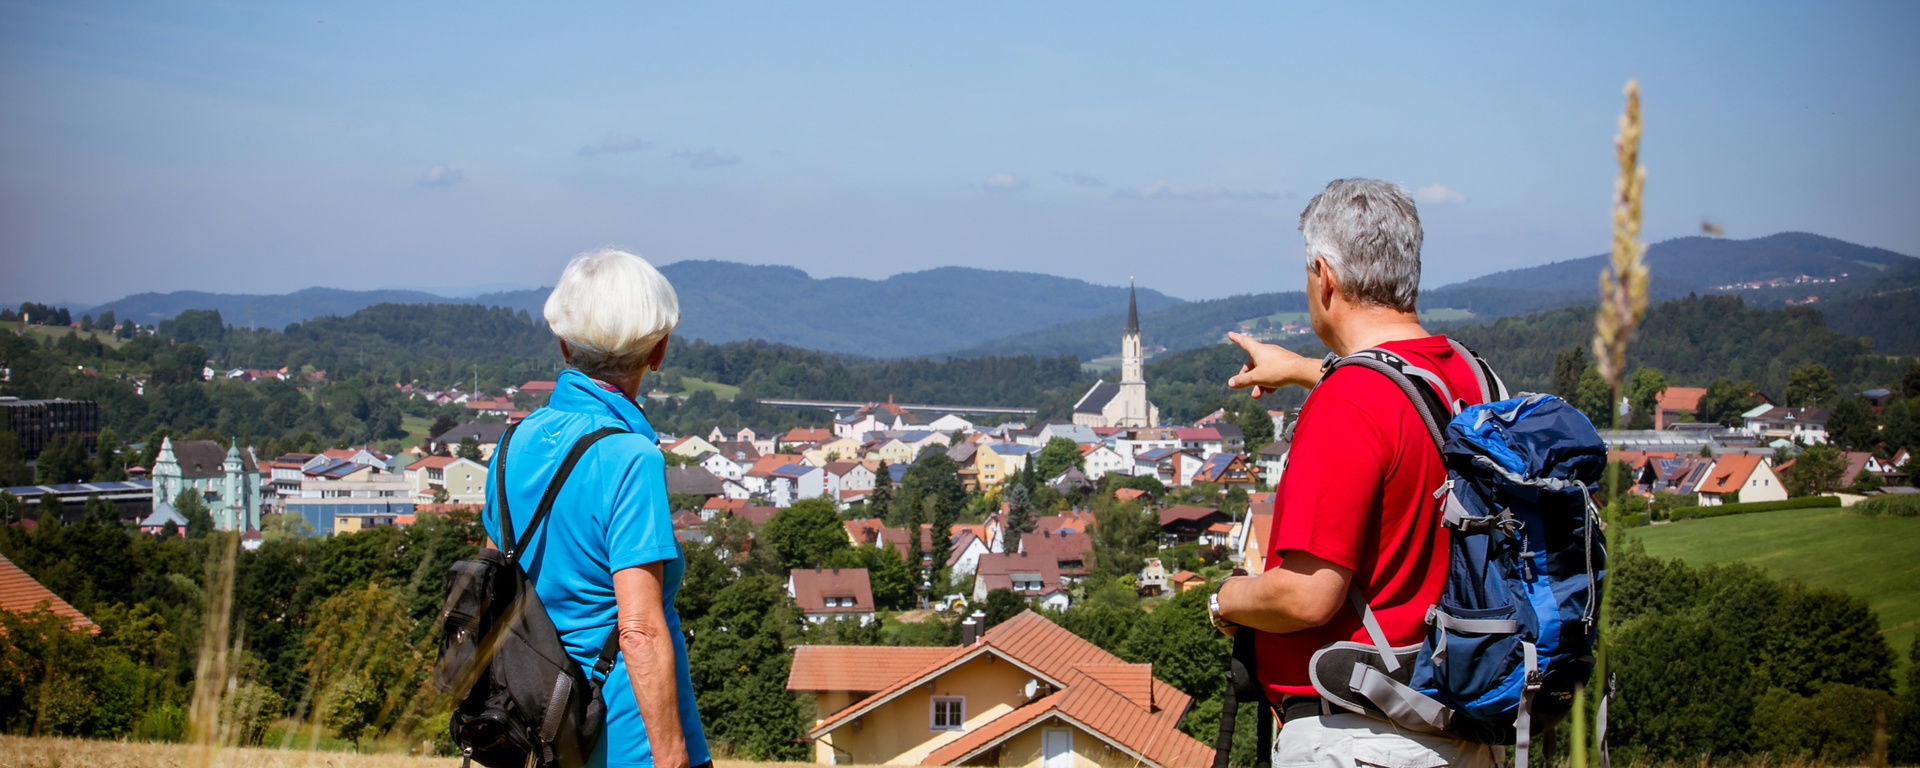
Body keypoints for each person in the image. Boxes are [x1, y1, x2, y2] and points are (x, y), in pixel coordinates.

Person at [1209, 179, 1499, 767]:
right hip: (1465, 725)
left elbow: (1306, 596)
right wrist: (1303, 369)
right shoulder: (1472, 377)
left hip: (1364, 739)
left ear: (1325, 276)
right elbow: (1408, 404)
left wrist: (1225, 599)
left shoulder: (1349, 403)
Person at [482, 248, 710, 768]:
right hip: (623, 738)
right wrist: (672, 758)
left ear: (562, 344)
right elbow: (639, 629)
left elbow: (496, 590)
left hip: (535, 727)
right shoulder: (630, 457)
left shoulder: (511, 444)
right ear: (659, 351)